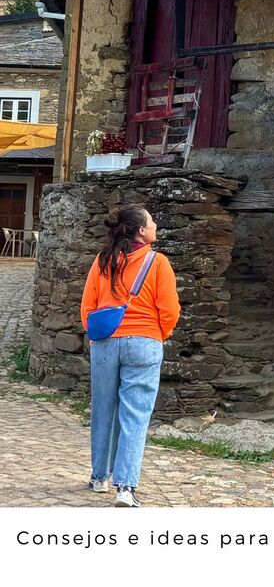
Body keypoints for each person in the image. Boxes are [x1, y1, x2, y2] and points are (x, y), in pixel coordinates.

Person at [80, 204, 180, 508]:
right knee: (135, 415)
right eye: (151, 222)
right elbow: (170, 309)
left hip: (106, 343)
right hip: (145, 342)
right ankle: (125, 487)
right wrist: (159, 334)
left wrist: (97, 333)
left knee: (103, 408)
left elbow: (87, 307)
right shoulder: (158, 262)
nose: (155, 226)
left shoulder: (102, 260)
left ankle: (99, 477)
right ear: (140, 230)